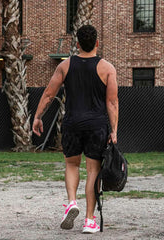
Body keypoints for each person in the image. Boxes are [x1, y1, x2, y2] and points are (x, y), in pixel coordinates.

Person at [32, 25, 118, 234]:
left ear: (77, 44)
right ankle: (89, 220)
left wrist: (37, 117)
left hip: (71, 123)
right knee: (92, 171)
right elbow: (112, 102)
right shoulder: (107, 68)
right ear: (97, 43)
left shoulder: (66, 66)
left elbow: (48, 95)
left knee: (71, 165)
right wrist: (114, 130)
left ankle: (72, 203)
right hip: (96, 125)